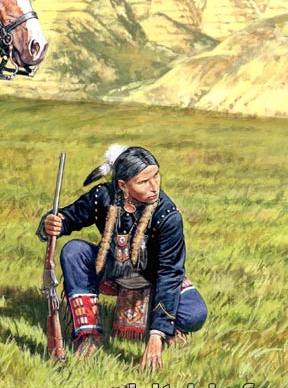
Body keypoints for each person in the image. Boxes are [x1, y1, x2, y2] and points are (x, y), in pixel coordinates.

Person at [37, 145, 207, 371]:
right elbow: (68, 218)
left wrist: (156, 336)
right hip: (112, 272)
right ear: (123, 186)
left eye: (156, 176)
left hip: (154, 280)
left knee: (195, 314)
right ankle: (89, 335)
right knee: (73, 251)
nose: (154, 186)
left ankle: (163, 328)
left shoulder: (167, 215)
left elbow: (169, 274)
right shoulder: (102, 196)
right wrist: (51, 223)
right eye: (144, 181)